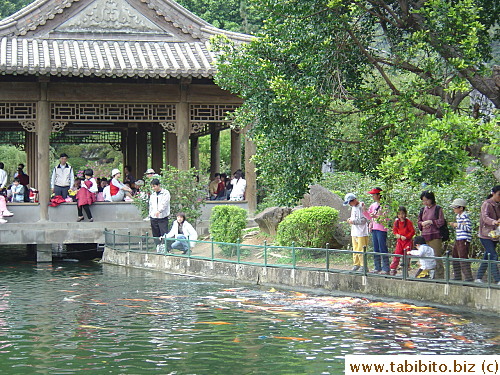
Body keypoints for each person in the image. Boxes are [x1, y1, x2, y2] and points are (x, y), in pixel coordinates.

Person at [475, 186, 500, 284]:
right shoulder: (486, 204)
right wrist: (494, 222)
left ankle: (478, 277)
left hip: (494, 235)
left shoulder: (498, 204)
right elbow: (485, 217)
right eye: (499, 195)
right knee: (493, 256)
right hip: (485, 235)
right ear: (493, 193)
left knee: (487, 256)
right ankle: (498, 279)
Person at [417, 191, 446, 278]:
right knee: (425, 257)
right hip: (425, 235)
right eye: (423, 201)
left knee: (436, 256)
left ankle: (439, 276)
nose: (425, 203)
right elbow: (419, 221)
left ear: (431, 199)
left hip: (435, 235)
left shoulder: (438, 209)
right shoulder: (423, 210)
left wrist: (431, 222)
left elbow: (441, 221)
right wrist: (422, 223)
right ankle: (426, 275)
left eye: (426, 200)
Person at [363, 187, 390, 275]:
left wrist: (376, 217)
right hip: (374, 229)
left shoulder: (385, 205)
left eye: (374, 194)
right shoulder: (373, 205)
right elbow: (369, 217)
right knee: (376, 249)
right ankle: (377, 267)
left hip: (382, 229)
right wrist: (364, 210)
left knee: (383, 248)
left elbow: (387, 219)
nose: (373, 196)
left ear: (379, 195)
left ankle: (386, 268)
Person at [449, 198, 473, 282]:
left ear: (461, 208)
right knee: (455, 256)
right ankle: (457, 276)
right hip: (458, 238)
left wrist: (457, 225)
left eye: (455, 207)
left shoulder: (465, 216)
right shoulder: (458, 216)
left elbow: (468, 228)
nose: (454, 209)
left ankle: (468, 277)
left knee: (463, 257)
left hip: (464, 239)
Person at [344, 193, 369, 272]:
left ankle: (363, 265)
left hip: (362, 232)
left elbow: (364, 219)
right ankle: (356, 264)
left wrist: (353, 221)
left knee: (361, 249)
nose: (349, 204)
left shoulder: (362, 206)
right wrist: (350, 220)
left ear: (354, 200)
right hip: (354, 232)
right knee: (355, 249)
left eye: (350, 202)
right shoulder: (353, 208)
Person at [390, 206, 415, 276]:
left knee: (406, 255)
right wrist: (397, 235)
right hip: (400, 241)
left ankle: (405, 270)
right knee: (397, 254)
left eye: (403, 213)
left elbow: (412, 231)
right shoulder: (396, 222)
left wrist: (407, 237)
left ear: (405, 214)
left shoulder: (408, 222)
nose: (401, 216)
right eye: (399, 214)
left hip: (407, 241)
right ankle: (393, 269)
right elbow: (394, 230)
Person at [149, 178, 171, 252]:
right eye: (152, 187)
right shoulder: (153, 195)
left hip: (162, 217)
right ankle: (158, 248)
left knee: (164, 233)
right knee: (155, 234)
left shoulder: (165, 193)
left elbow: (165, 203)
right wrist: (151, 214)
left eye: (154, 186)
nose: (153, 188)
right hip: (154, 217)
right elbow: (151, 205)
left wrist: (159, 211)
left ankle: (166, 249)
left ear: (158, 185)